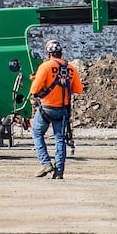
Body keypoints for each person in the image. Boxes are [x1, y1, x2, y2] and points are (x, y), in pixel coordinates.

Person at [28, 39, 82, 180]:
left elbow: (34, 90)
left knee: (37, 133)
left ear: (48, 54)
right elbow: (78, 89)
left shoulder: (45, 67)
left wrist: (36, 79)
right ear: (61, 53)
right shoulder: (70, 68)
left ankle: (46, 163)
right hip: (63, 110)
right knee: (60, 139)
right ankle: (59, 172)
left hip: (47, 108)